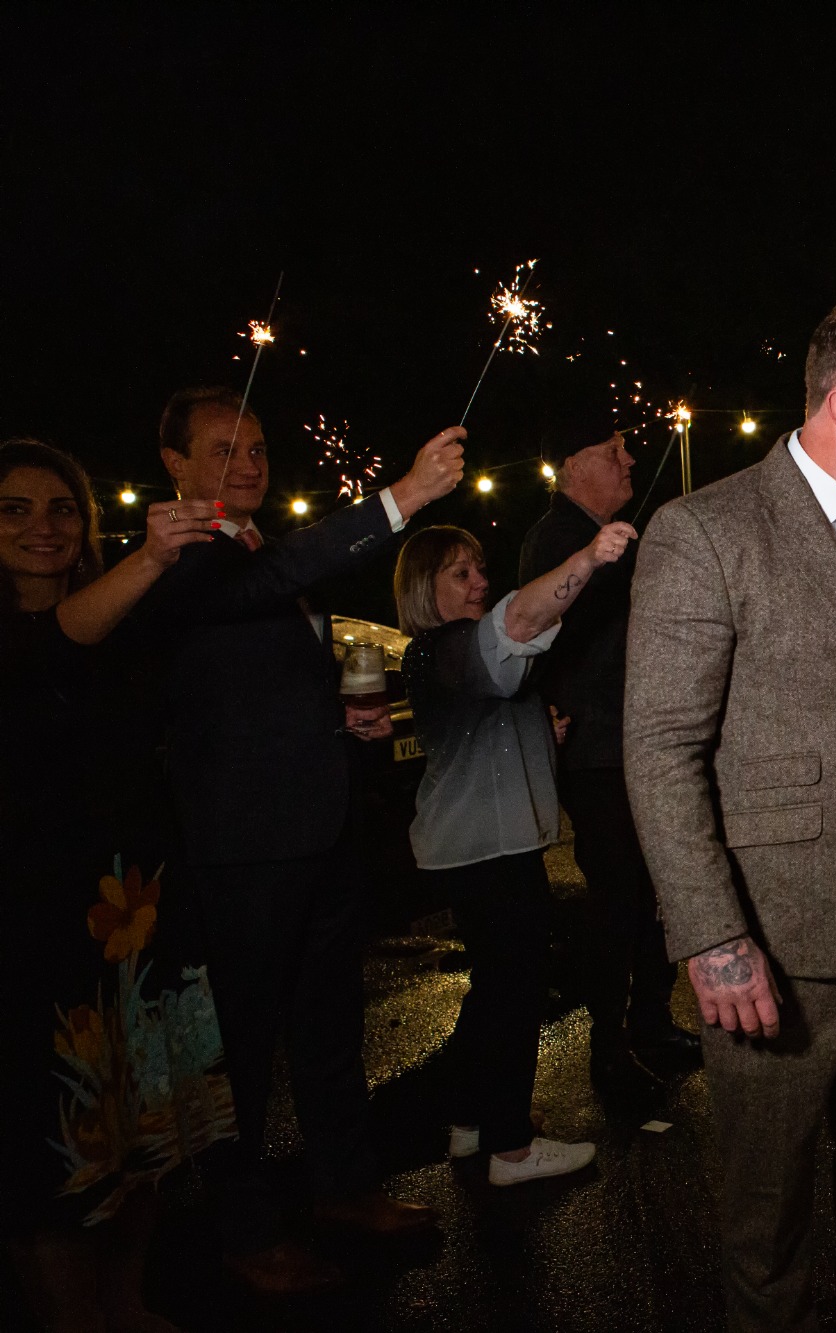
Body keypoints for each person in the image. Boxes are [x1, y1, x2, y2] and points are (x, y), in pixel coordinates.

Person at [624, 296, 836, 1330]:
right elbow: (661, 749)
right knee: (765, 1215)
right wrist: (711, 936)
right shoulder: (705, 530)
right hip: (777, 938)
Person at [127, 388, 465, 1294]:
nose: (248, 463)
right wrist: (403, 495)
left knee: (329, 1023)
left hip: (319, 827)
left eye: (259, 448)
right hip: (239, 847)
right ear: (174, 463)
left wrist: (341, 718)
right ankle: (242, 1231)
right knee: (240, 1046)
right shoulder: (181, 556)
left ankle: (344, 1188)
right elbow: (262, 588)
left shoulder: (262, 553)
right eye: (224, 447)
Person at [0, 440, 234, 1333]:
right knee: (52, 1140)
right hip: (33, 929)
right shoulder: (31, 634)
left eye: (61, 507)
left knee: (142, 1128)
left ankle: (127, 1301)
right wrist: (152, 557)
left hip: (133, 916)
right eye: (14, 509)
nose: (43, 526)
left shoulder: (125, 626)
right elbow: (50, 647)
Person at [396, 520, 634, 1184]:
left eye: (479, 568)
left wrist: (538, 732)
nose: (480, 582)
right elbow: (519, 625)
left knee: (496, 986)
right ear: (424, 588)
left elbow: (489, 723)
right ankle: (511, 1146)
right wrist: (588, 556)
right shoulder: (443, 648)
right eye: (461, 573)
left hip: (480, 845)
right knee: (516, 987)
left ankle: (471, 1118)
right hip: (486, 849)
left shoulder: (452, 654)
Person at [519, 391, 698, 1097]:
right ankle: (609, 1048)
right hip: (599, 752)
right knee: (617, 900)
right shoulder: (558, 543)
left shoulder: (612, 536)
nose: (629, 459)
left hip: (635, 746)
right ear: (572, 466)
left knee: (651, 892)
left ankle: (650, 1021)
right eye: (612, 448)